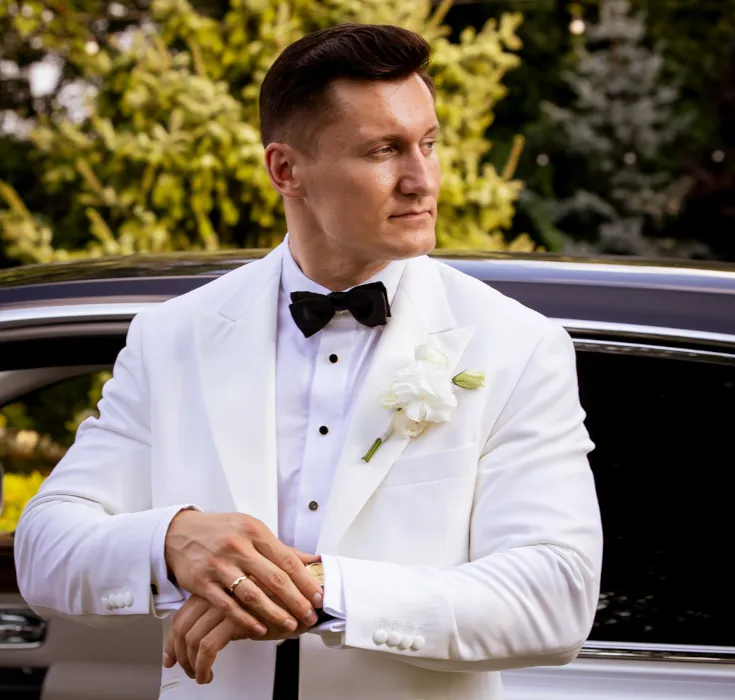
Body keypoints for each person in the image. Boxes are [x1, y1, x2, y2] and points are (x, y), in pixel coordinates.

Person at [14, 22, 603, 700]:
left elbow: (556, 597)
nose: (422, 179)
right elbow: (45, 549)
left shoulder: (517, 346)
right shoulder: (172, 336)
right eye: (385, 150)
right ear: (285, 169)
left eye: (430, 143)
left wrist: (323, 591)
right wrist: (173, 542)